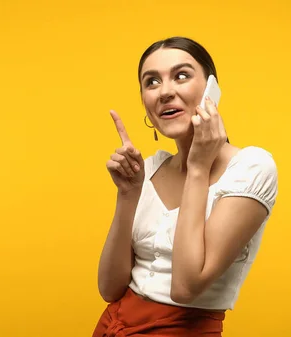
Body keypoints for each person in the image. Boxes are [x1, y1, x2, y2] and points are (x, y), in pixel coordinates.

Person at [93, 36, 278, 337]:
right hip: (111, 326)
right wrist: (128, 194)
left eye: (181, 75)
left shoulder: (252, 168)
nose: (165, 91)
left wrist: (198, 167)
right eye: (151, 82)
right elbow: (109, 288)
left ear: (211, 89)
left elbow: (185, 287)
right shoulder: (150, 168)